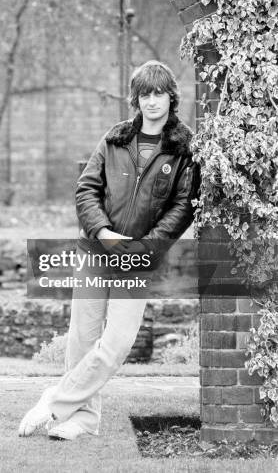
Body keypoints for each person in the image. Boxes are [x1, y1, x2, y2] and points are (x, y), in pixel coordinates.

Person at [18, 60, 200, 440]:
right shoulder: (114, 139)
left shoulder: (183, 150)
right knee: (82, 338)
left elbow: (183, 205)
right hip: (95, 249)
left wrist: (143, 246)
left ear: (171, 97)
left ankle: (55, 402)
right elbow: (86, 190)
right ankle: (83, 419)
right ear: (136, 98)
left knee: (117, 342)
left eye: (159, 94)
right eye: (144, 94)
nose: (151, 102)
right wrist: (103, 231)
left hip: (139, 257)